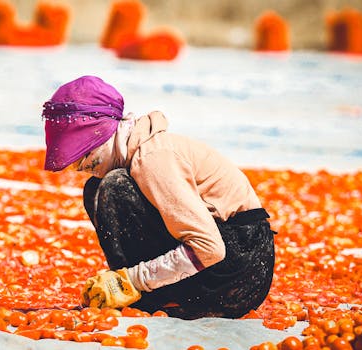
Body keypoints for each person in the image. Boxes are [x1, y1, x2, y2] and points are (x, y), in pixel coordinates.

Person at [41, 75, 276, 319]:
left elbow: (210, 248)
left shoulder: (152, 158)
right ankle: (148, 294)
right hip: (230, 263)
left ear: (108, 132)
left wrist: (132, 280)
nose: (81, 167)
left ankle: (143, 291)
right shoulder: (136, 156)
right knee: (96, 189)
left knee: (113, 187)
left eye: (86, 156)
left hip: (240, 273)